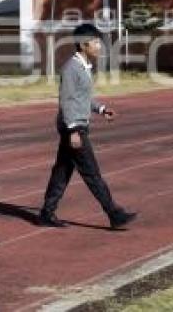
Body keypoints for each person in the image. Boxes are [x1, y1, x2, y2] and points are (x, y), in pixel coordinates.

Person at [37, 23, 137, 230]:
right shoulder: (71, 68)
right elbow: (67, 101)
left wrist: (101, 109)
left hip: (76, 126)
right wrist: (73, 130)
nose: (99, 46)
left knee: (62, 172)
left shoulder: (83, 66)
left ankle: (47, 212)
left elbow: (84, 97)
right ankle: (114, 213)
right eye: (95, 42)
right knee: (92, 173)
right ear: (83, 45)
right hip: (73, 128)